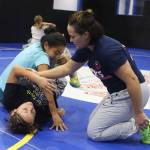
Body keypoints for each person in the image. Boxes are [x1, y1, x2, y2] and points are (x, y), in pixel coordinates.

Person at [35, 10, 150, 143]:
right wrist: (37, 74)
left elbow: (132, 80)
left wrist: (139, 113)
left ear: (85, 34)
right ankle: (133, 118)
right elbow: (67, 68)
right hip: (119, 93)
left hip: (132, 92)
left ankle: (141, 124)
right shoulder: (87, 47)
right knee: (93, 121)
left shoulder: (107, 51)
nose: (70, 40)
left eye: (73, 36)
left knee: (95, 132)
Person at [0, 32, 66, 101]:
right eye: (56, 53)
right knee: (61, 81)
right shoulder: (42, 58)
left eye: (60, 54)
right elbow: (45, 87)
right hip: (8, 94)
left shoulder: (36, 45)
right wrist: (53, 109)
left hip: (2, 87)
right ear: (46, 45)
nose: (58, 56)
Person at [3, 65, 67, 134]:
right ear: (34, 120)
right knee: (64, 69)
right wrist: (55, 113)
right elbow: (51, 96)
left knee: (36, 68)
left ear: (14, 111)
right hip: (53, 84)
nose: (31, 107)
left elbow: (15, 70)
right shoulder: (40, 117)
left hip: (33, 73)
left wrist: (37, 79)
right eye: (32, 112)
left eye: (25, 109)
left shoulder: (9, 100)